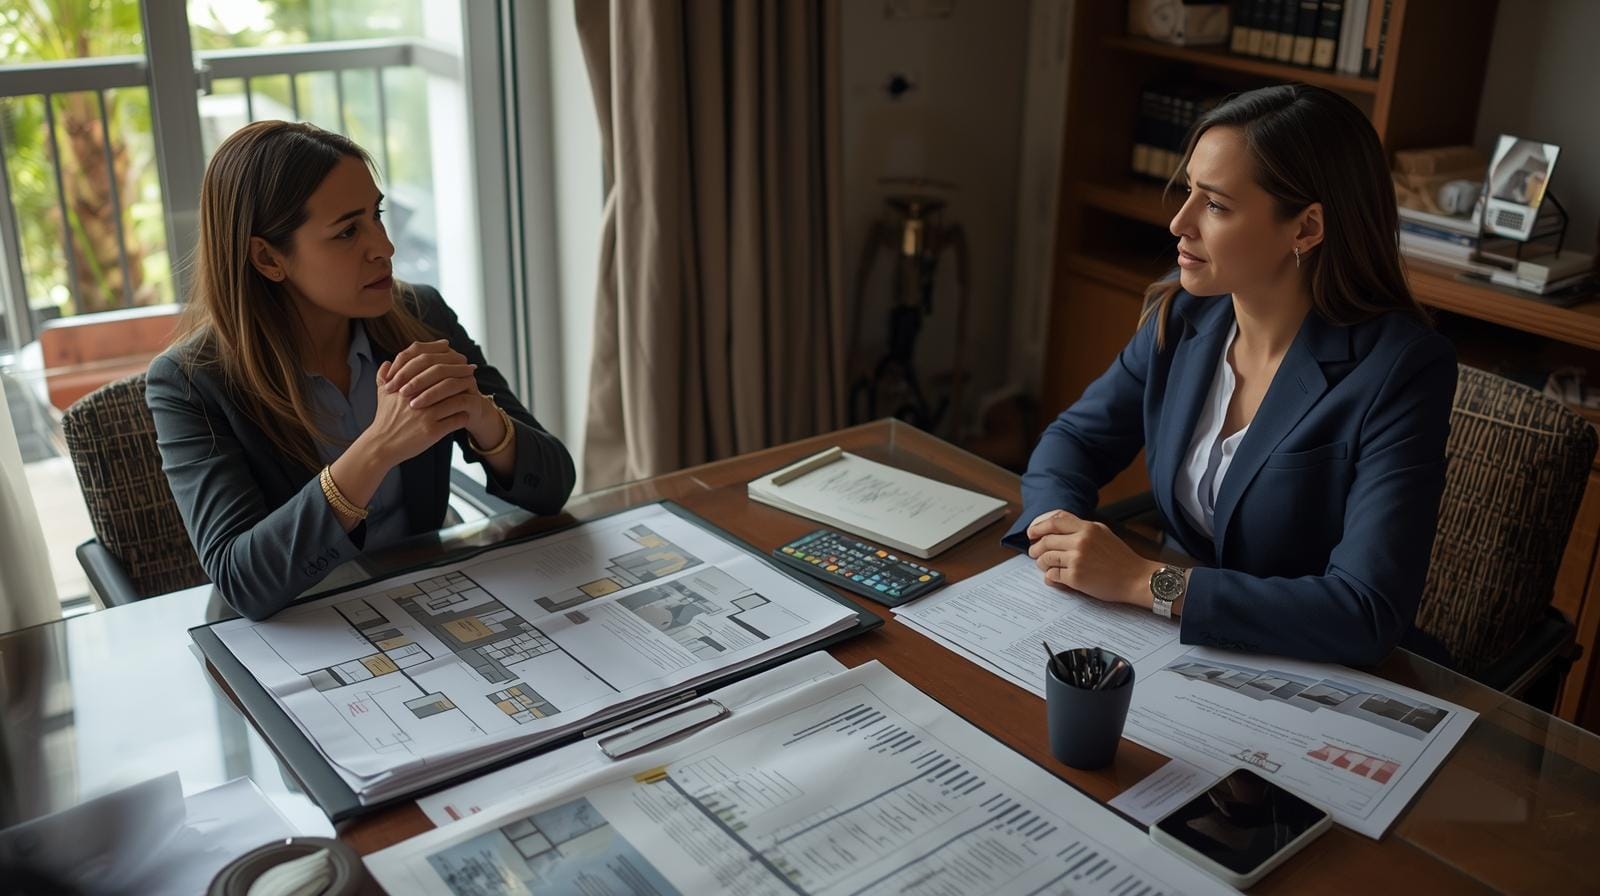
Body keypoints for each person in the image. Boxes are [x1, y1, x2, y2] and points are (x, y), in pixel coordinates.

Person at [1005, 84, 1457, 667]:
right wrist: (1055, 534)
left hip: (1311, 671)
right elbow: (1074, 440)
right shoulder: (1188, 308)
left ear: (1306, 229)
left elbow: (1365, 609)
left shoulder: (1400, 370)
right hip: (1163, 649)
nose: (1179, 222)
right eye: (1189, 190)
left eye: (1215, 205)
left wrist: (1148, 582)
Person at [147, 121, 576, 620]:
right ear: (267, 258)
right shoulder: (191, 383)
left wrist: (481, 416)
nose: (384, 247)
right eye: (348, 231)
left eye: (377, 215)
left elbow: (554, 487)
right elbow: (243, 582)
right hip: (301, 628)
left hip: (427, 598)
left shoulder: (420, 315)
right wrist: (377, 448)